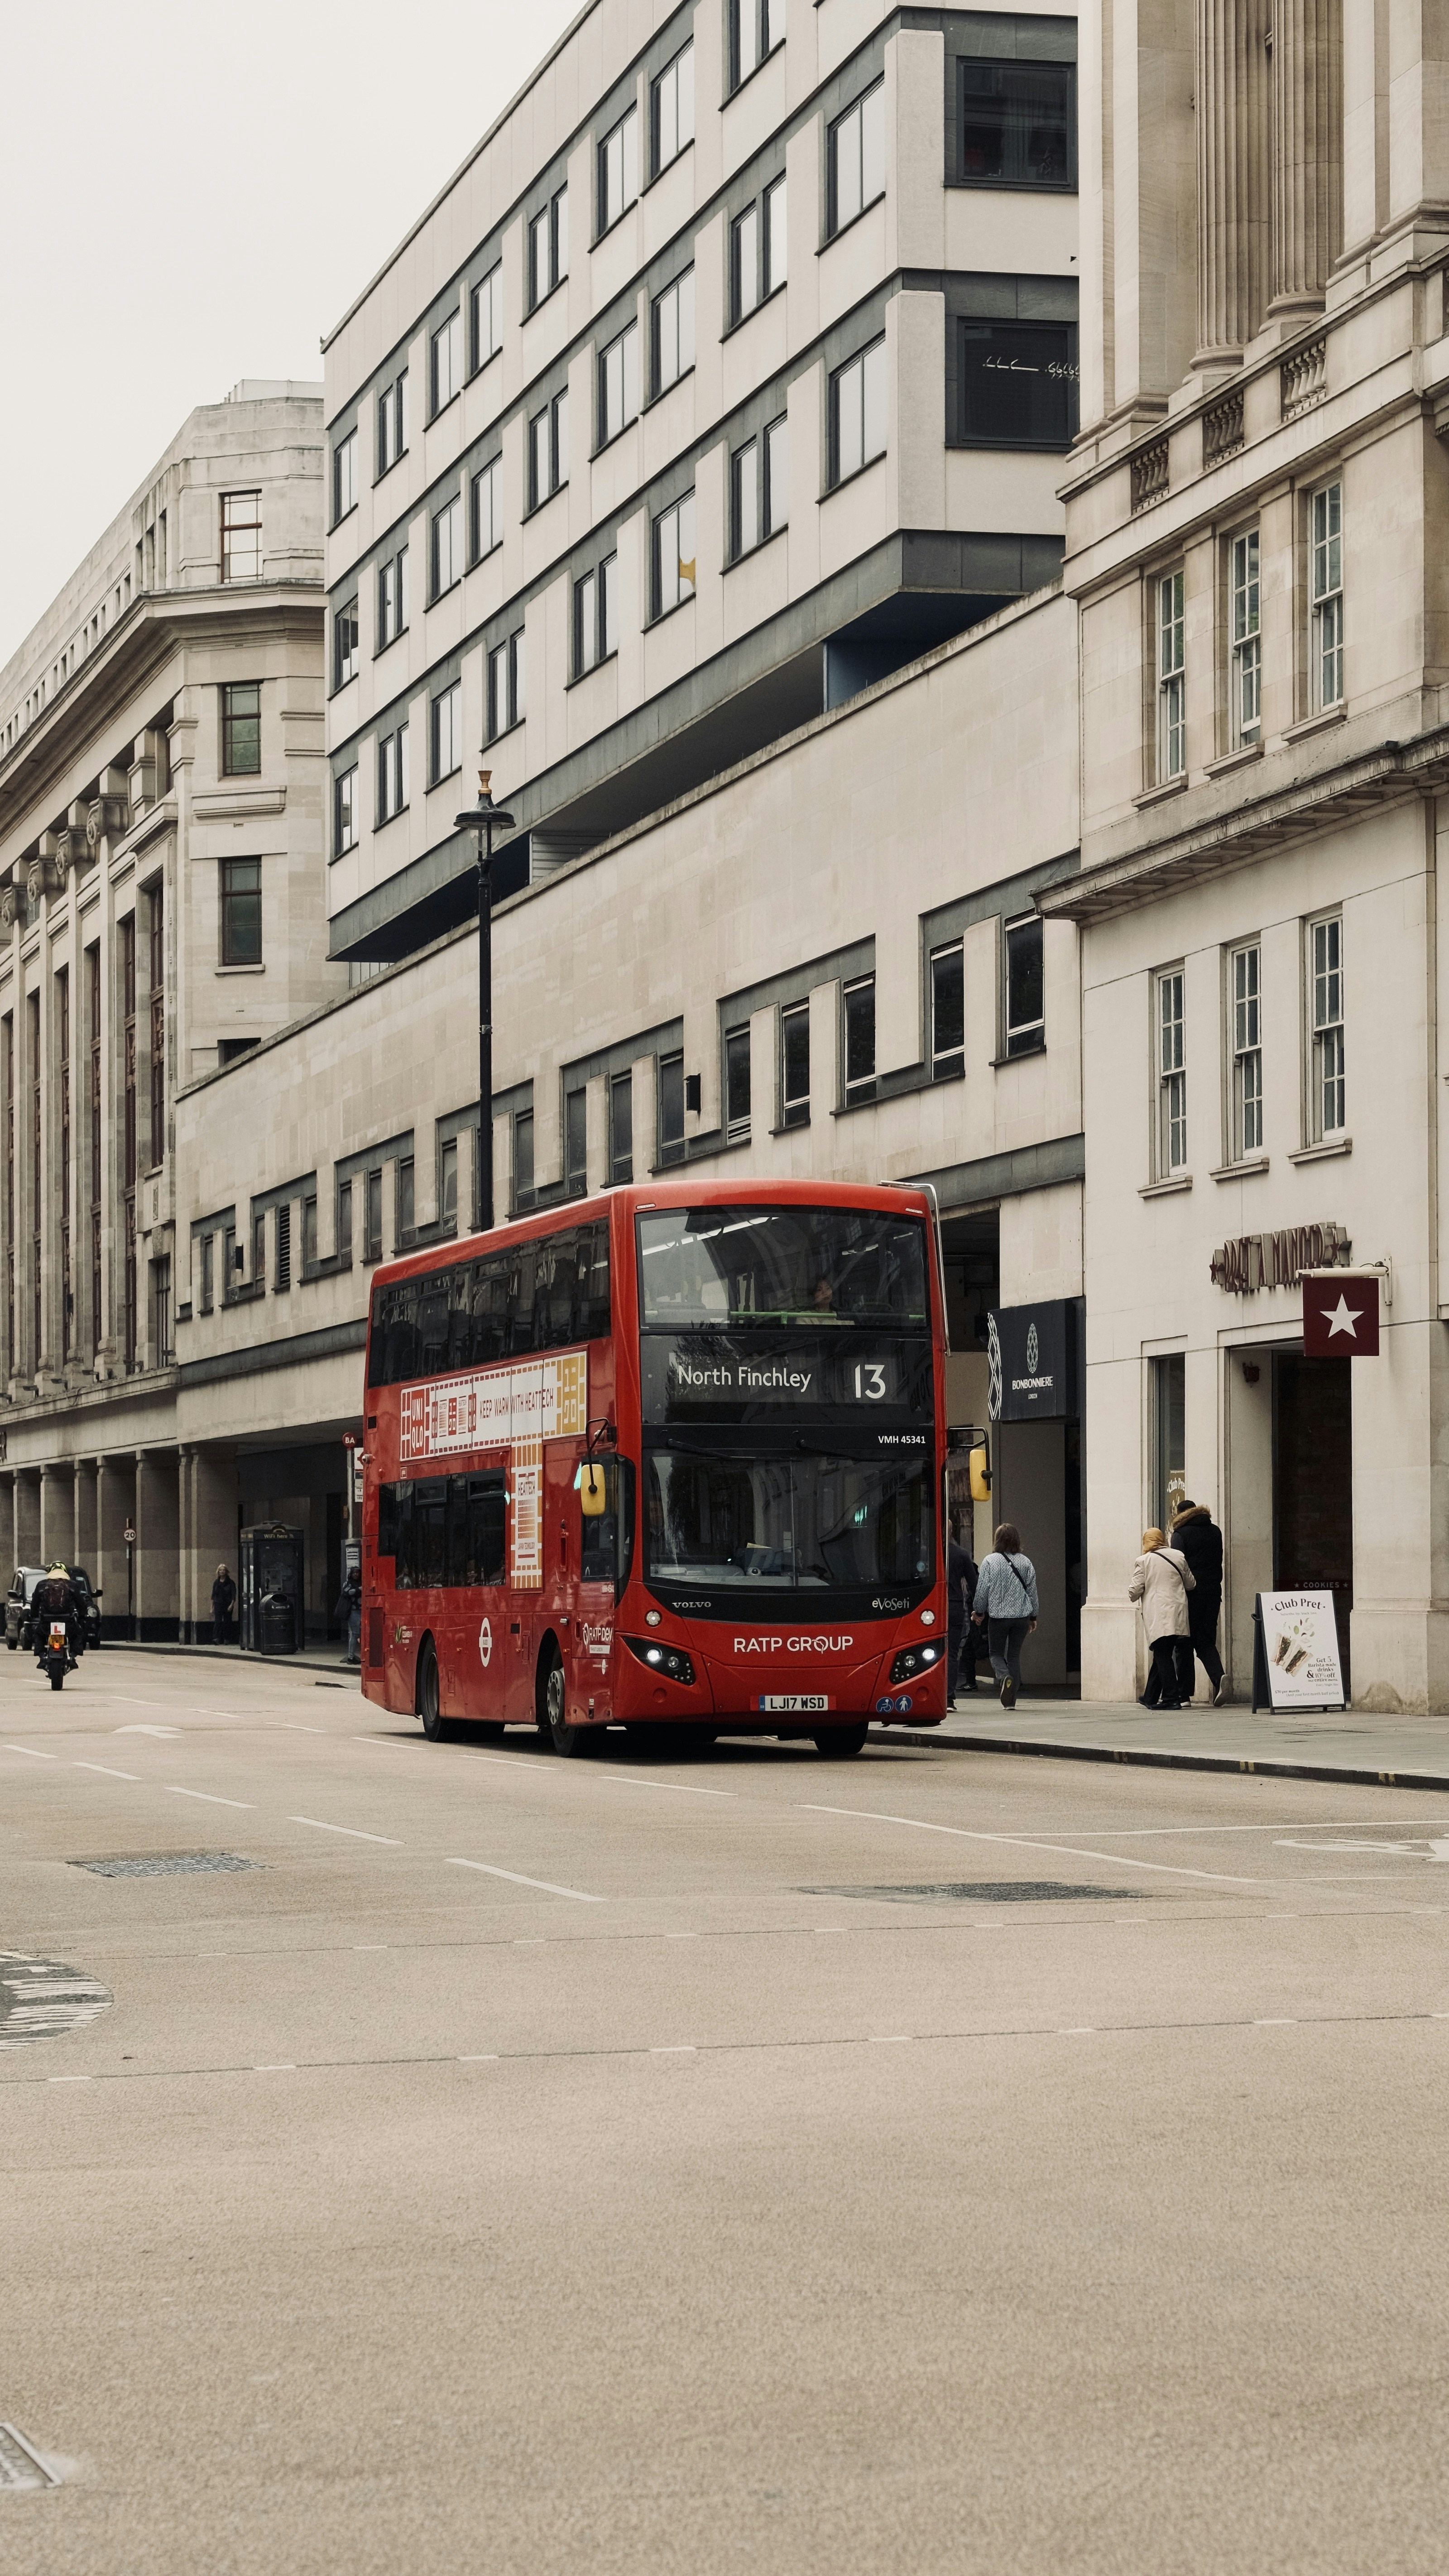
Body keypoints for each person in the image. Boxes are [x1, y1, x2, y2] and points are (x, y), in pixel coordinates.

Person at [972, 1522, 1038, 1708]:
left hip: (999, 1617)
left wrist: (979, 1611)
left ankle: (1004, 1677)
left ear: (997, 1540)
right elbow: (1032, 1592)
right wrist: (1033, 1616)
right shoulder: (1026, 1562)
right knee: (1014, 1656)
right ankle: (1011, 1702)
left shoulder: (990, 1561)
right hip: (1021, 1617)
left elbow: (982, 1590)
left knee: (995, 1654)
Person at [1128, 1528, 1195, 1709]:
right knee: (1163, 1653)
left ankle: (1171, 1699)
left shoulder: (1143, 1561)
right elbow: (1191, 1584)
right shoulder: (1178, 1556)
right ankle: (1150, 1697)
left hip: (1159, 1614)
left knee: (1162, 1654)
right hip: (1179, 1612)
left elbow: (1134, 1592)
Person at [1171, 1499, 1227, 1705]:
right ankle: (1219, 1677)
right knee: (1205, 1640)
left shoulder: (1180, 1534)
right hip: (1213, 1593)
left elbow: (1178, 1565)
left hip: (1190, 1594)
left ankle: (1184, 1694)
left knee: (1184, 1641)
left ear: (1180, 1515)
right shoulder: (1215, 1531)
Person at [945, 1510, 979, 1704]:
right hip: (955, 1606)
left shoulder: (931, 1552)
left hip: (930, 1607)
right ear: (953, 1532)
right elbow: (974, 1585)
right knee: (952, 1654)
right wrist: (979, 1611)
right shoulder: (962, 1555)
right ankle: (949, 1699)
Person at [31, 1562, 78, 1670]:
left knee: (38, 1634)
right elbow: (81, 1604)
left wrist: (33, 1615)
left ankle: (42, 1657)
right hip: (67, 1622)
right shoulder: (72, 1585)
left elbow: (35, 1604)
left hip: (47, 1623)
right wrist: (83, 1616)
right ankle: (73, 1657)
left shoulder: (42, 1585)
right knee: (78, 1633)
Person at [335, 1565, 362, 1666]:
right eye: (354, 1573)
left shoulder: (361, 1582)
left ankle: (355, 1656)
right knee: (355, 1634)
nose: (356, 1574)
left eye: (358, 1573)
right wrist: (360, 1589)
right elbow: (347, 1592)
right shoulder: (348, 1583)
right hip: (354, 1611)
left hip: (362, 1610)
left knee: (359, 1634)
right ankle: (351, 1657)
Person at [211, 1563, 236, 1646]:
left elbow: (233, 1594)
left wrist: (231, 1605)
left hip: (227, 1604)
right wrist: (212, 1607)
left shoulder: (231, 1582)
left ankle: (227, 1639)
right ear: (218, 1572)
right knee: (218, 1622)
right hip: (218, 1603)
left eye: (224, 1570)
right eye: (221, 1570)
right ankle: (216, 1638)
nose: (222, 1572)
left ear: (226, 1572)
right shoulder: (216, 1582)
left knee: (227, 1622)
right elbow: (213, 1595)